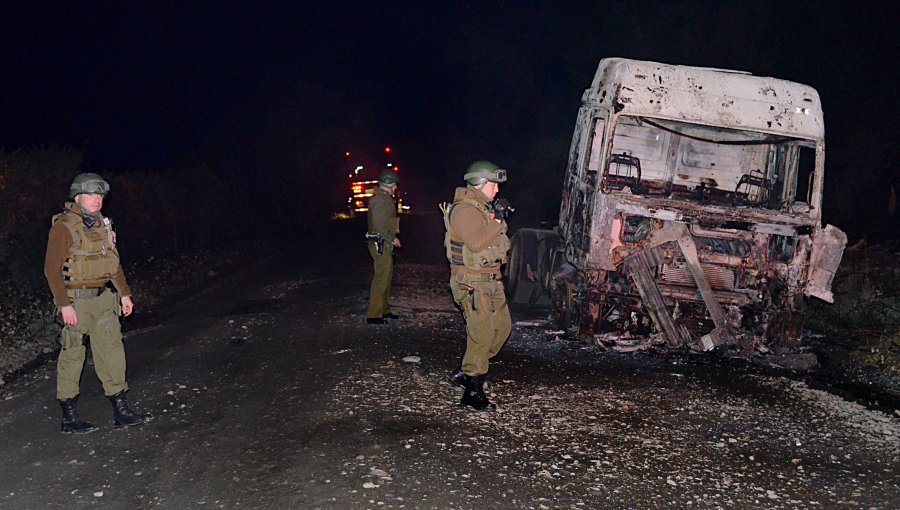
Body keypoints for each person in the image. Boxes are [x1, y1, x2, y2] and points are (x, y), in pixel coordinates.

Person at [44, 172, 154, 433]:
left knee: (113, 354)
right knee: (73, 355)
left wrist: (125, 294)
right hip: (77, 302)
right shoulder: (64, 227)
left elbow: (113, 265)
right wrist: (64, 304)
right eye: (91, 195)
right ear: (78, 197)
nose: (97, 200)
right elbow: (52, 269)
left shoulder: (103, 225)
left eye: (100, 195)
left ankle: (121, 411)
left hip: (104, 300)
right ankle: (69, 417)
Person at [441, 161, 512, 412]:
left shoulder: (483, 208)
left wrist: (496, 217)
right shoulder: (464, 210)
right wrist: (498, 219)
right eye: (494, 185)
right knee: (481, 335)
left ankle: (465, 371)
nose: (497, 191)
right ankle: (472, 391)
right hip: (471, 282)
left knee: (502, 329)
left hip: (490, 279)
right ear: (480, 184)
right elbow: (476, 243)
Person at [366, 169, 402, 324]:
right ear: (388, 185)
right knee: (381, 278)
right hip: (380, 243)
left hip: (385, 242)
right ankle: (374, 315)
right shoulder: (380, 200)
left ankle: (384, 310)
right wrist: (391, 239)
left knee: (387, 277)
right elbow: (379, 224)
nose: (395, 188)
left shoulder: (385, 198)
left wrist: (392, 237)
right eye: (394, 185)